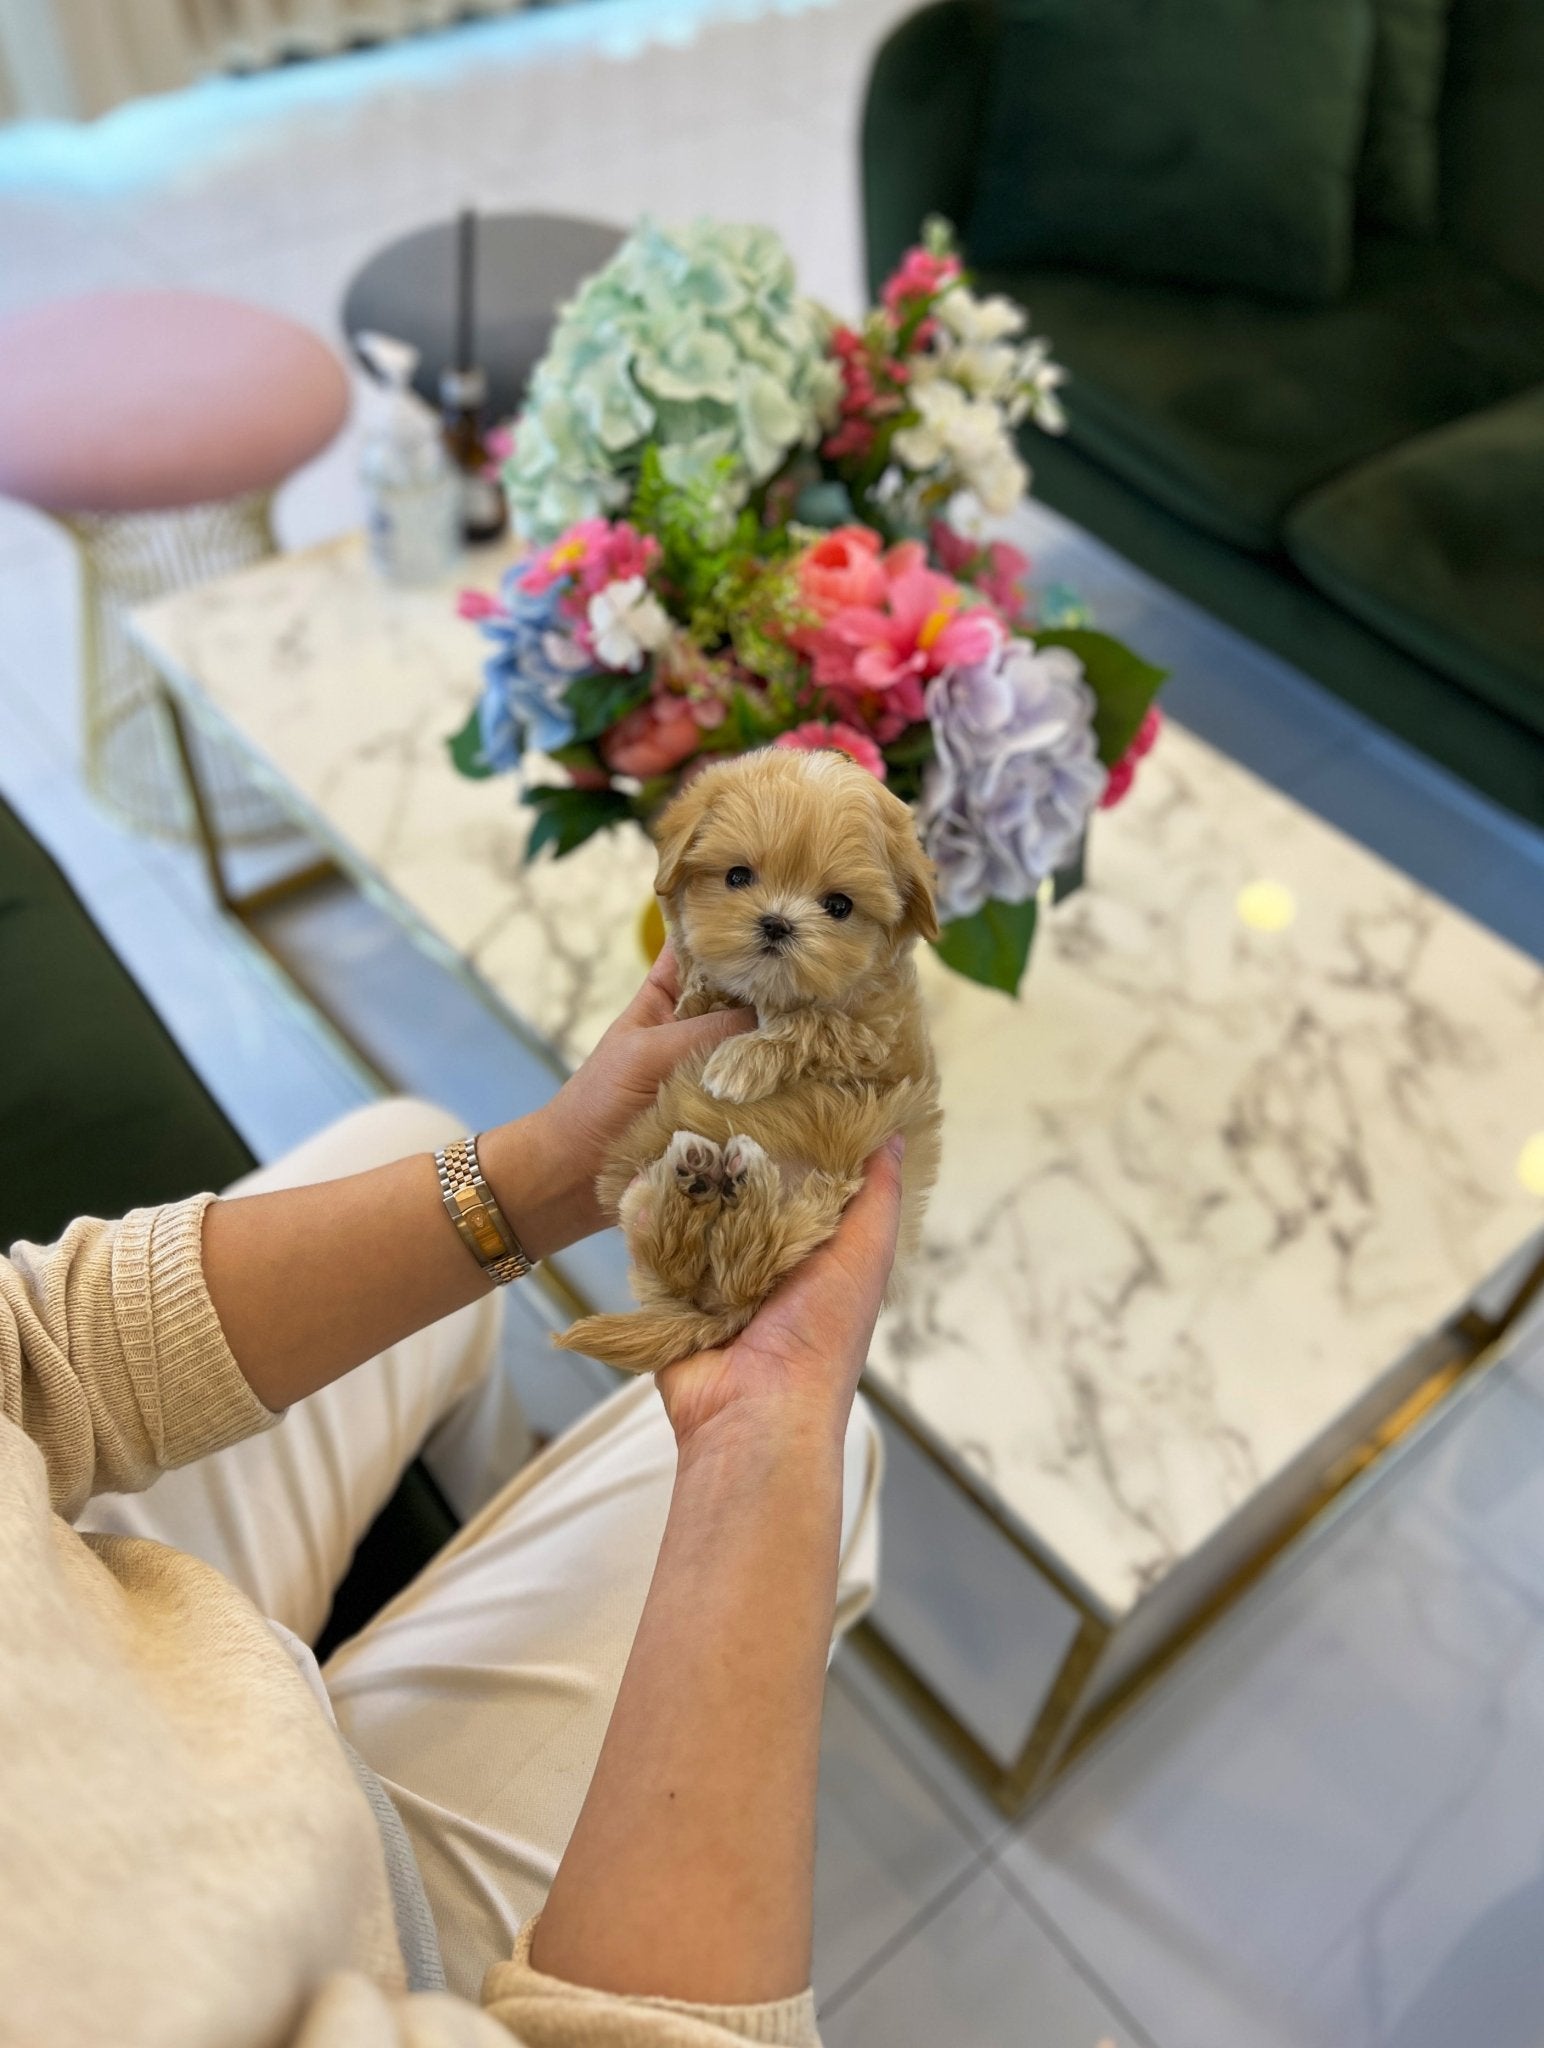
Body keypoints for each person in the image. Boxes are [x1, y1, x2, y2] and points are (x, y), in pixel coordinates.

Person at [0, 948, 896, 2047]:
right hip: (332, 1961)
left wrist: (553, 1171)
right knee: (836, 1443)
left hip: (77, 1607)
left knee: (414, 1139)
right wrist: (768, 1428)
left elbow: (33, 1358)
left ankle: (481, 1494)